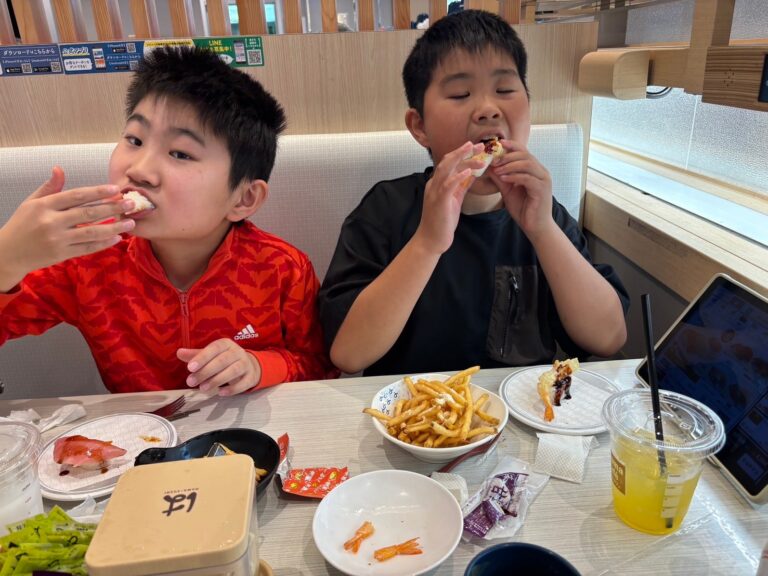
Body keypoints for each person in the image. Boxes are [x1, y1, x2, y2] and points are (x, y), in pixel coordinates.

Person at [0, 47, 336, 395]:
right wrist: (6, 258)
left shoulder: (282, 269)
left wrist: (259, 366)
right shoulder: (86, 257)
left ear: (243, 199)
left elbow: (320, 366)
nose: (139, 170)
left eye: (180, 153)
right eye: (135, 140)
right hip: (138, 426)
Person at [318, 10, 629, 376]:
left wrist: (543, 230)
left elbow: (608, 339)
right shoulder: (386, 209)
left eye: (505, 90)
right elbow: (349, 354)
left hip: (519, 404)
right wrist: (427, 242)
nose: (487, 109)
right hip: (413, 406)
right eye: (460, 94)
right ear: (419, 126)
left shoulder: (546, 216)